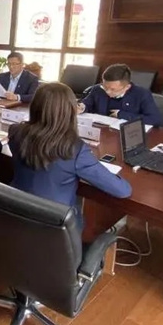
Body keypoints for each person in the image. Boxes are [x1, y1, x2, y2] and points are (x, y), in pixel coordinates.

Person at [8, 82, 131, 229]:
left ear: (34, 106)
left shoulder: (15, 131)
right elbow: (122, 191)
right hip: (56, 226)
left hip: (14, 214)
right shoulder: (75, 149)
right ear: (70, 111)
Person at [77, 63, 163, 127]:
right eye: (105, 87)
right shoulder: (98, 89)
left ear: (127, 87)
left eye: (113, 89)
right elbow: (87, 103)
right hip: (101, 131)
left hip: (125, 136)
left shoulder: (142, 94)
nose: (107, 92)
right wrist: (82, 107)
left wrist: (121, 114)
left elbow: (155, 120)